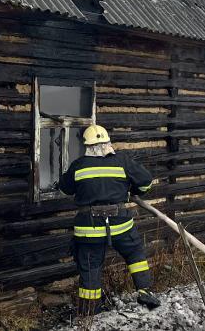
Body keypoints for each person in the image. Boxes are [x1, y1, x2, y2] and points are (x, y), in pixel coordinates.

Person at [59, 124, 161, 316]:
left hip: (89, 228)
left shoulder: (78, 165)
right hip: (120, 224)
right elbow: (146, 182)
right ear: (108, 143)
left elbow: (66, 188)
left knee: (90, 266)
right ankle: (144, 291)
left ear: (87, 146)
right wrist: (134, 192)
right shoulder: (122, 161)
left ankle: (90, 312)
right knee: (135, 254)